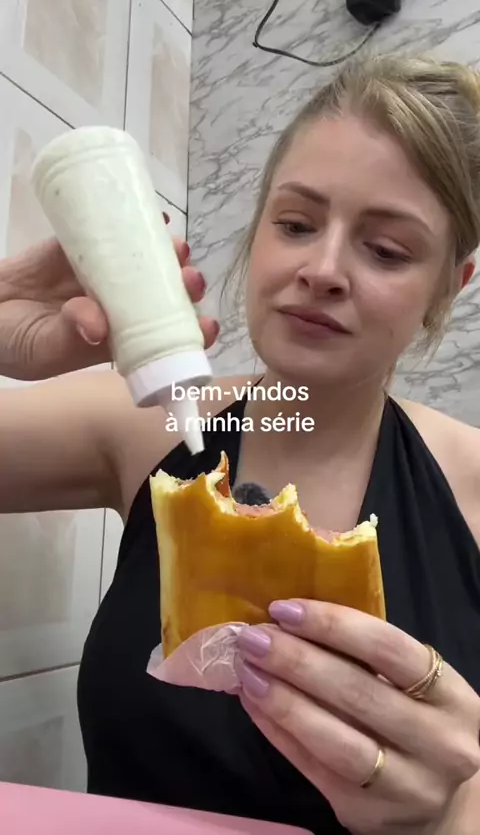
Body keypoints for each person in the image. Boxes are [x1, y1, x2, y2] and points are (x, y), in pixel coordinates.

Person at [1, 52, 480, 835]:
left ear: (446, 289)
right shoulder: (147, 421)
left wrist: (449, 815)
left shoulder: (471, 487)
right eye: (295, 224)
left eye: (387, 249)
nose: (322, 269)